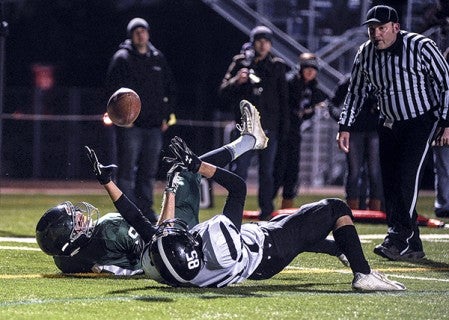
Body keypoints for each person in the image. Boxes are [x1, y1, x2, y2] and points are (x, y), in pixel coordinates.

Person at [88, 100, 403, 291]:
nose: (167, 227)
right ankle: (363, 275)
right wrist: (200, 166)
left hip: (258, 255)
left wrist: (107, 182)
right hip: (268, 248)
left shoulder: (173, 269)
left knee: (299, 230)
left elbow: (140, 222)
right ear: (187, 245)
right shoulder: (212, 240)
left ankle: (342, 250)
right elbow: (238, 187)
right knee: (335, 208)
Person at [34, 100, 261, 275]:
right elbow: (156, 236)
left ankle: (249, 141)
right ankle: (249, 141)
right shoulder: (109, 231)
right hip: (174, 250)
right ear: (70, 239)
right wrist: (170, 192)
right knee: (187, 171)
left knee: (186, 171)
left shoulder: (66, 259)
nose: (81, 217)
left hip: (155, 254)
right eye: (75, 222)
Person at [337, 5, 449, 262]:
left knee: (406, 179)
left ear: (396, 27)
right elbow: (355, 92)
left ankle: (397, 237)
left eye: (381, 28)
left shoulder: (421, 46)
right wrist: (345, 126)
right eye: (371, 28)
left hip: (421, 121)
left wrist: (446, 121)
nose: (376, 34)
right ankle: (414, 245)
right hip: (388, 123)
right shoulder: (365, 53)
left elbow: (446, 83)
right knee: (391, 185)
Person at [105, 17, 177, 223]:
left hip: (154, 126)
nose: (140, 34)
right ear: (131, 35)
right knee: (126, 171)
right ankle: (126, 213)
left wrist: (166, 116)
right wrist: (120, 118)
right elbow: (110, 91)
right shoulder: (122, 58)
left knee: (148, 172)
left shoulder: (157, 58)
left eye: (143, 30)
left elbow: (171, 89)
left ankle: (145, 211)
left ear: (148, 33)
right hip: (131, 126)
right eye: (136, 31)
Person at [219, 25, 290, 220]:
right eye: (259, 40)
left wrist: (284, 129)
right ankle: (234, 208)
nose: (262, 44)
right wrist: (236, 80)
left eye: (266, 41)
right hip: (245, 129)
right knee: (239, 170)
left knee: (267, 172)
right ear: (253, 42)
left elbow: (284, 100)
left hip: (269, 128)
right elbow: (222, 91)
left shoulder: (277, 65)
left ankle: (266, 211)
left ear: (270, 44)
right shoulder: (240, 63)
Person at [273, 53, 328, 209]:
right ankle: (268, 207)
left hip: (294, 132)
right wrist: (301, 111)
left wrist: (308, 110)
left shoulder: (312, 88)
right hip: (282, 132)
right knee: (278, 168)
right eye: (307, 68)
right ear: (301, 69)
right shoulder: (290, 82)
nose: (310, 72)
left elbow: (303, 112)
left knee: (292, 169)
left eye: (313, 69)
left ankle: (286, 206)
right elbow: (285, 107)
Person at [329, 76, 383, 211]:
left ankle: (375, 209)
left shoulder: (381, 77)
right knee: (354, 170)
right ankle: (353, 208)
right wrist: (343, 122)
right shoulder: (350, 80)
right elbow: (333, 104)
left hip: (374, 131)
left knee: (375, 171)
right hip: (354, 131)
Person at [433, 47, 449, 218]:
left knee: (443, 168)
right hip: (442, 128)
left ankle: (443, 204)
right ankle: (443, 205)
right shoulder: (442, 81)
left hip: (441, 127)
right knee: (444, 168)